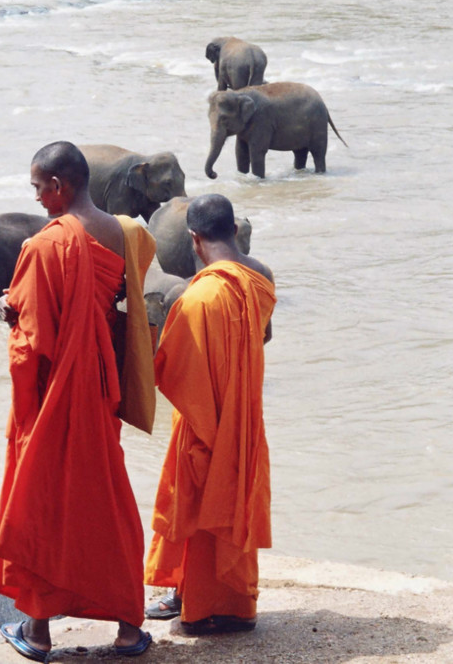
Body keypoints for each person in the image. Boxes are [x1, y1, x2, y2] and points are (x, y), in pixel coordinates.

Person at [0, 141, 157, 660]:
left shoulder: (45, 246)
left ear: (59, 186)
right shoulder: (121, 231)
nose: (38, 199)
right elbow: (110, 303)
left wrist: (11, 314)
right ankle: (129, 628)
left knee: (43, 503)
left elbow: (32, 344)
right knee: (105, 499)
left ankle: (38, 635)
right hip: (100, 385)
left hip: (53, 395)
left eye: (39, 189)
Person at [144, 193, 275, 635]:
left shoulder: (198, 298)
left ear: (194, 240)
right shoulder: (260, 284)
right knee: (236, 497)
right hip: (245, 419)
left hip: (205, 420)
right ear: (235, 230)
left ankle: (195, 604)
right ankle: (237, 605)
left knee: (195, 501)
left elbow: (173, 373)